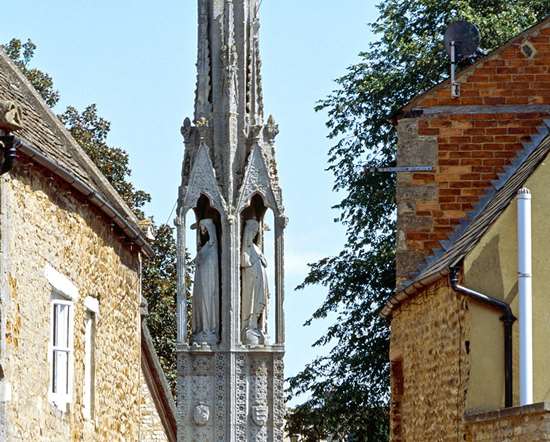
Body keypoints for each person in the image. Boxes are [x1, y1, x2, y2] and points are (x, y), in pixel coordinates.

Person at [241, 219, 269, 344]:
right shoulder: (247, 248)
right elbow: (244, 262)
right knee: (251, 303)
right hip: (251, 281)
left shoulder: (256, 247)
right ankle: (249, 326)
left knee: (259, 301)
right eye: (252, 231)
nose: (254, 234)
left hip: (259, 281)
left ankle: (256, 326)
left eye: (256, 232)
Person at [192, 218, 219, 344]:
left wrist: (200, 260)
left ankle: (208, 329)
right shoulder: (206, 247)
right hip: (201, 281)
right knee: (201, 303)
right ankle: (202, 329)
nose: (202, 233)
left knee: (207, 303)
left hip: (208, 282)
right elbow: (199, 261)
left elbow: (210, 264)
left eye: (204, 230)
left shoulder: (212, 247)